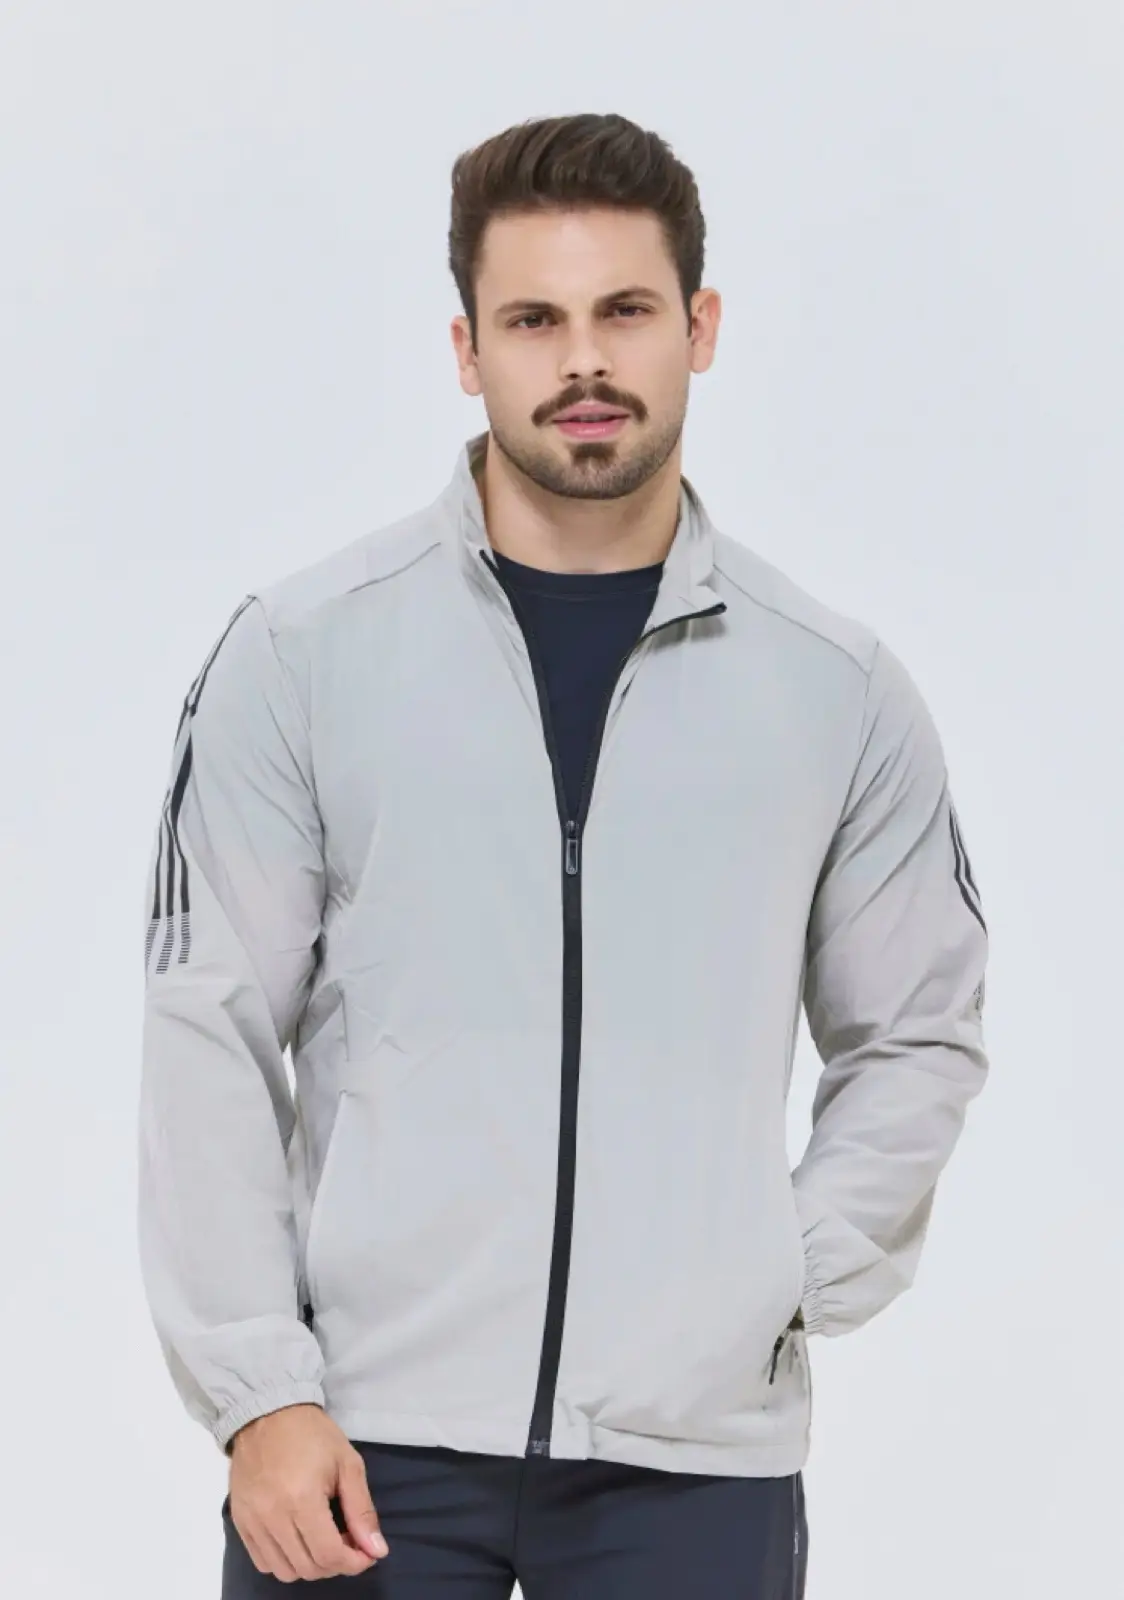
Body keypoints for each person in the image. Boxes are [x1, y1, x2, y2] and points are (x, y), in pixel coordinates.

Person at [137, 112, 990, 1596]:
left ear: (699, 329)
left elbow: (918, 1031)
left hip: (696, 1460)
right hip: (361, 1440)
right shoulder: (301, 655)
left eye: (625, 312)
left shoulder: (834, 690)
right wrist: (258, 1394)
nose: (583, 362)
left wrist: (779, 1281)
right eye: (534, 320)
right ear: (467, 350)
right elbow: (206, 1029)